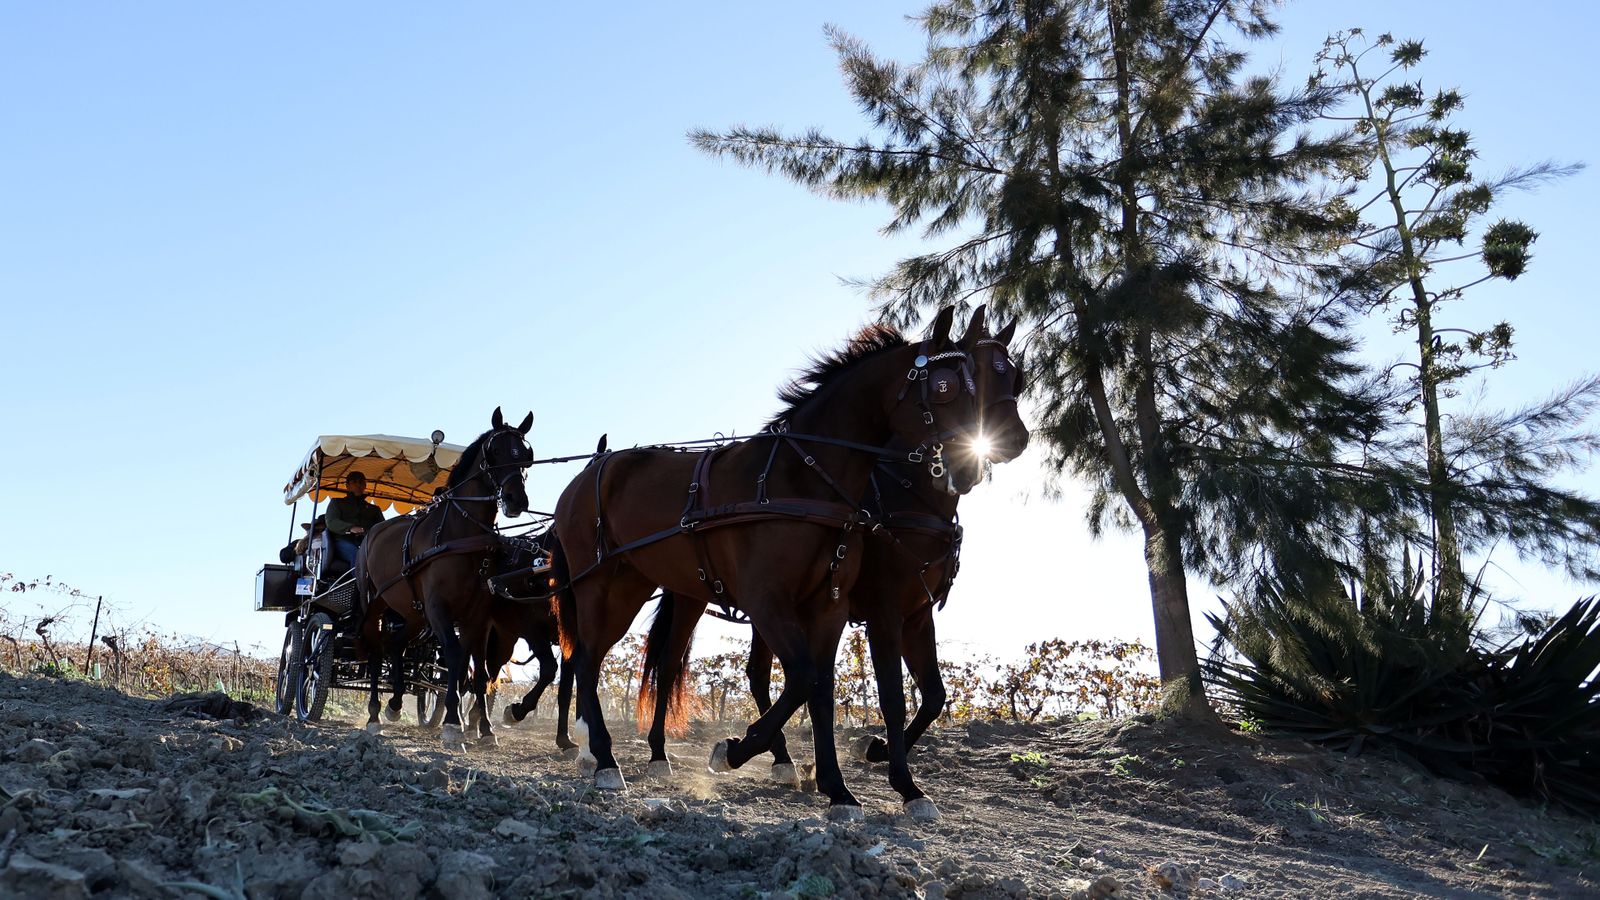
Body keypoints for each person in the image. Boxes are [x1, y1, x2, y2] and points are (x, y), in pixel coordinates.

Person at [326, 472, 384, 573]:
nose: (358, 484)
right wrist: (350, 528)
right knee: (356, 554)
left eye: (361, 482)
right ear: (347, 485)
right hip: (341, 540)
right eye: (354, 482)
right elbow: (331, 521)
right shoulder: (337, 503)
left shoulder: (374, 509)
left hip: (367, 542)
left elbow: (382, 528)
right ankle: (361, 587)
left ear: (365, 485)